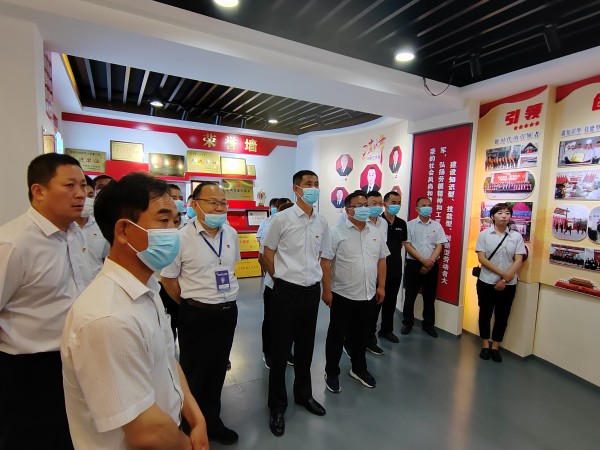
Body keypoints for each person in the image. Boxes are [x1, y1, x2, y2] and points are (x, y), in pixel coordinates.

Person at [61, 172, 208, 450]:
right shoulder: (108, 317)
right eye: (163, 221)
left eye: (176, 221)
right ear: (124, 231)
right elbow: (145, 431)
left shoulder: (147, 287)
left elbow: (166, 359)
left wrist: (195, 417)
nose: (173, 232)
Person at [0, 153, 93, 450]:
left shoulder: (75, 234)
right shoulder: (14, 242)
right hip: (29, 369)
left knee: (71, 436)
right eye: (69, 185)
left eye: (83, 185)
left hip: (74, 358)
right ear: (38, 191)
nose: (81, 194)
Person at [161, 181, 240, 445]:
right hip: (196, 314)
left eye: (223, 203)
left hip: (227, 312)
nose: (220, 208)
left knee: (217, 370)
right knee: (194, 373)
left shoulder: (231, 234)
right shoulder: (180, 237)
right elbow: (168, 279)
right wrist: (189, 304)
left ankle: (213, 421)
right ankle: (190, 426)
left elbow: (230, 269)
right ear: (195, 204)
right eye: (213, 202)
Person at [262, 170, 329, 437]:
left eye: (316, 184)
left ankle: (303, 394)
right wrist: (278, 280)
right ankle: (277, 405)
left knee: (306, 347)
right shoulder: (281, 219)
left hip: (311, 292)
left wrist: (321, 286)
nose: (313, 188)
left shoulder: (322, 221)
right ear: (296, 189)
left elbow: (321, 256)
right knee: (280, 351)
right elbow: (267, 253)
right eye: (308, 184)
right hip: (286, 291)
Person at [321, 191, 389, 393]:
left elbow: (382, 260)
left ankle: (359, 369)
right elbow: (325, 262)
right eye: (359, 206)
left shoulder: (375, 232)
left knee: (361, 335)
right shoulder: (335, 233)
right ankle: (331, 372)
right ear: (347, 210)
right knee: (336, 335)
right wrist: (326, 291)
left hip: (368, 294)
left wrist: (381, 286)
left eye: (366, 205)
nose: (364, 209)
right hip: (342, 294)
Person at [475, 203, 526, 363]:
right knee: (485, 314)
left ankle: (495, 346)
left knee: (502, 316)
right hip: (486, 281)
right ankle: (485, 345)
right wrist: (503, 274)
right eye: (500, 213)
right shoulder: (484, 235)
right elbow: (482, 258)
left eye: (507, 213)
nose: (504, 216)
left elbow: (519, 260)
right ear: (492, 216)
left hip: (508, 284)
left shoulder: (516, 237)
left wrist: (504, 279)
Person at [402, 197, 447, 338]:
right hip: (413, 264)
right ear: (417, 208)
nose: (427, 207)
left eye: (429, 205)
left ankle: (428, 325)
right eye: (423, 205)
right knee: (410, 296)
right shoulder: (409, 225)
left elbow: (439, 246)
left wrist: (429, 262)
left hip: (432, 265)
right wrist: (422, 261)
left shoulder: (437, 226)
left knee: (429, 297)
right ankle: (407, 323)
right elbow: (407, 245)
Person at [257, 198, 293, 370]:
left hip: (294, 286)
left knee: (290, 322)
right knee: (271, 320)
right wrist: (275, 277)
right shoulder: (272, 227)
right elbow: (262, 257)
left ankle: (286, 351)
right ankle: (269, 352)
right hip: (275, 285)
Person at [370, 191, 407, 347]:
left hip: (395, 268)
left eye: (398, 203)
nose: (396, 205)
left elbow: (401, 245)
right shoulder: (377, 220)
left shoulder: (401, 224)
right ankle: (370, 333)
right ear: (385, 204)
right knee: (375, 304)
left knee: (391, 302)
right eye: (393, 202)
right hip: (378, 269)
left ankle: (386, 330)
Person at [363, 191, 389, 355]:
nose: (378, 206)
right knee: (358, 313)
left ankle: (369, 340)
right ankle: (349, 341)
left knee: (374, 310)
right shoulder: (358, 220)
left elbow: (382, 253)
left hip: (376, 271)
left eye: (380, 203)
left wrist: (382, 284)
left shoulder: (383, 223)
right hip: (360, 272)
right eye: (374, 203)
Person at [75, 175, 110, 277]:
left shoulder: (101, 226)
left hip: (97, 283)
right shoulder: (64, 227)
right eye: (82, 195)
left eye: (90, 195)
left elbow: (104, 259)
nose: (85, 200)